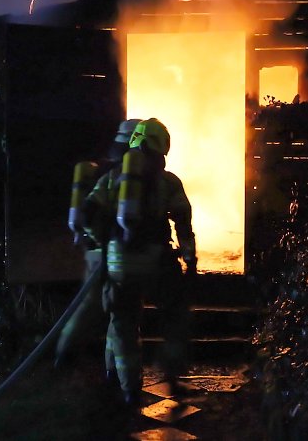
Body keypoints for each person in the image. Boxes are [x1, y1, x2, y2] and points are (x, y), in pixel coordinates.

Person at [84, 117, 196, 406]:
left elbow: (88, 214)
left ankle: (127, 387)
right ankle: (171, 377)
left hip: (120, 263)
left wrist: (100, 245)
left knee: (122, 322)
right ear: (162, 149)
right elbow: (183, 222)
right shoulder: (169, 182)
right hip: (157, 261)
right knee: (173, 316)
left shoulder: (113, 178)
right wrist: (189, 257)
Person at [55, 119, 141, 367]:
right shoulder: (119, 173)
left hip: (98, 249)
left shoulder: (103, 168)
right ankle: (64, 356)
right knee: (99, 307)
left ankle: (111, 369)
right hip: (108, 250)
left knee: (114, 311)